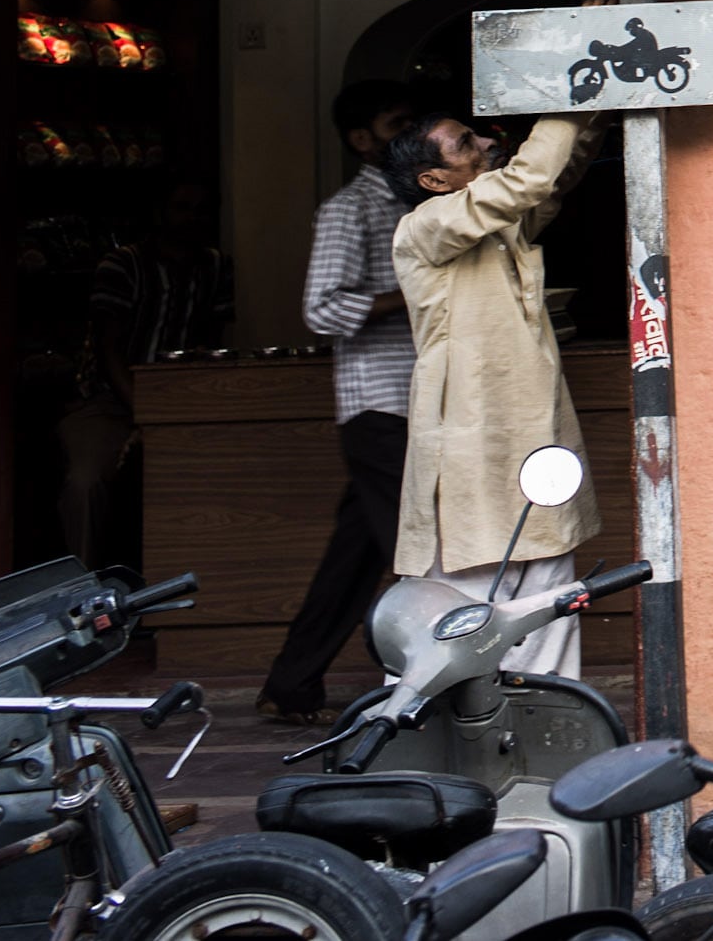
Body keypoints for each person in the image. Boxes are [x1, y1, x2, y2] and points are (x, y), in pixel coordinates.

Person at [388, 112, 604, 676]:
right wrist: (564, 102)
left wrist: (588, 107)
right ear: (434, 180)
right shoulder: (426, 224)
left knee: (548, 598)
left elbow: (554, 175)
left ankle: (548, 719)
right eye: (465, 142)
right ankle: (436, 725)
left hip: (531, 442)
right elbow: (528, 180)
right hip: (472, 452)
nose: (486, 141)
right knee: (459, 623)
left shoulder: (497, 222)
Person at [257, 79, 420, 722]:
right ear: (361, 139)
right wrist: (415, 292)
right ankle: (427, 687)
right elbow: (321, 310)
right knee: (422, 551)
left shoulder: (417, 199)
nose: (411, 133)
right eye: (397, 123)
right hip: (380, 404)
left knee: (353, 558)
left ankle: (291, 685)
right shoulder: (349, 209)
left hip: (413, 401)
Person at [60, 179, 232, 568]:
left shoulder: (216, 267)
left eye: (202, 210)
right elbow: (108, 350)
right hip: (109, 402)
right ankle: (82, 586)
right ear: (160, 213)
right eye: (182, 207)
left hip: (182, 402)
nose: (192, 218)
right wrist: (145, 414)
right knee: (86, 483)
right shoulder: (122, 265)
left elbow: (210, 343)